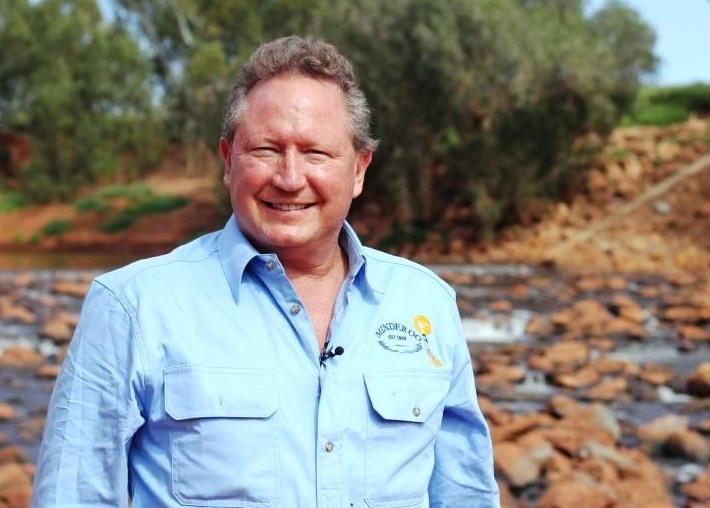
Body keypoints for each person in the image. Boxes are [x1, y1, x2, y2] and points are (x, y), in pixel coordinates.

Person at [31, 35, 500, 508]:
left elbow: (467, 496)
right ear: (228, 160)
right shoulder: (132, 306)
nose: (290, 178)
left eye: (316, 153)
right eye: (266, 150)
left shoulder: (427, 303)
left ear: (359, 169)